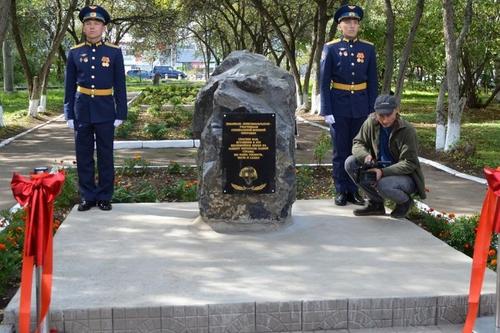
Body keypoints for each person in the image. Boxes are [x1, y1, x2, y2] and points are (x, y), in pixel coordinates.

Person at [64, 5, 127, 211]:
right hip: (81, 110)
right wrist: (68, 113)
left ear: (103, 27)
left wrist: (121, 112)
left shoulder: (114, 52)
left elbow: (120, 85)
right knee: (83, 155)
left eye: (96, 24)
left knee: (105, 155)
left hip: (105, 110)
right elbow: (69, 85)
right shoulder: (74, 52)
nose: (92, 27)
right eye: (88, 24)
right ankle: (87, 196)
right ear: (83, 28)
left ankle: (104, 196)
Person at [320, 4, 378, 206]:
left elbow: (373, 81)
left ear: (358, 26)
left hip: (361, 107)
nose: (352, 26)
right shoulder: (331, 48)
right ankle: (340, 191)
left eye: (355, 22)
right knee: (340, 151)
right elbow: (324, 81)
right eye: (348, 22)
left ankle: (354, 191)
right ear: (340, 26)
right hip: (338, 107)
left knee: (359, 151)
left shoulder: (368, 49)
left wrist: (373, 110)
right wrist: (326, 110)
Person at [344, 95, 426, 218]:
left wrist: (382, 172)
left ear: (396, 110)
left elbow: (409, 163)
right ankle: (376, 204)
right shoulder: (370, 123)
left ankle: (405, 202)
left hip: (404, 176)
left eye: (389, 115)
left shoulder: (407, 130)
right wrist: (365, 156)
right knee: (350, 163)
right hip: (378, 168)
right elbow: (358, 143)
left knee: (383, 185)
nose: (385, 120)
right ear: (375, 113)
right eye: (381, 115)